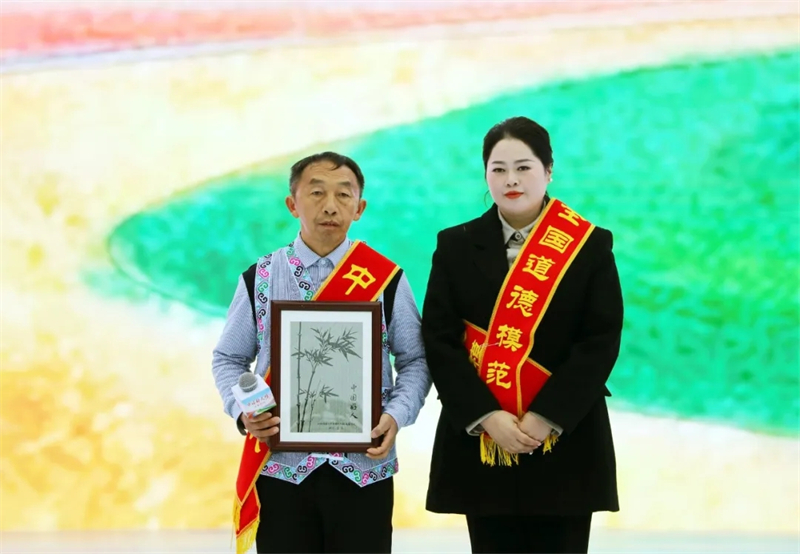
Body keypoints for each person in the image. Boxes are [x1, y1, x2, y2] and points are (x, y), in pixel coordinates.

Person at [421, 116, 623, 554]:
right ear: (486, 175)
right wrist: (485, 416)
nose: (511, 179)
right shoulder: (455, 244)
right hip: (484, 441)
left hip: (564, 441)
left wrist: (546, 416)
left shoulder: (588, 245)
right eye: (498, 169)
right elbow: (439, 339)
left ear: (548, 171)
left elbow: (600, 340)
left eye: (524, 167)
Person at [212, 152, 431, 554]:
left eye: (344, 195)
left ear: (359, 208)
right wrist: (244, 412)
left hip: (364, 467)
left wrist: (396, 416)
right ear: (292, 203)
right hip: (282, 469)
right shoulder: (261, 277)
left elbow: (416, 360)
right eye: (316, 193)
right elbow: (228, 358)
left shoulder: (386, 280)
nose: (330, 206)